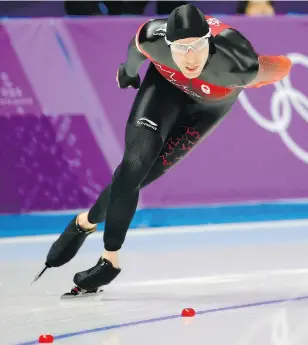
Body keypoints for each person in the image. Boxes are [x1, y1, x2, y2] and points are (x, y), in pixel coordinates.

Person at [33, 4, 292, 297]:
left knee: (139, 179)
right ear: (168, 45)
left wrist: (273, 70)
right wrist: (128, 72)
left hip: (207, 109)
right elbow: (135, 50)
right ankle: (110, 259)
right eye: (180, 50)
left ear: (209, 41)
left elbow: (281, 67)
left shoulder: (239, 63)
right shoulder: (152, 37)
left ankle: (85, 222)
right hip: (163, 89)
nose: (189, 59)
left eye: (195, 48)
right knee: (132, 168)